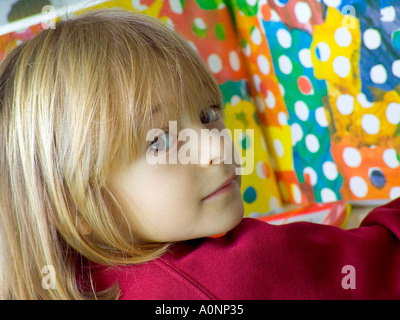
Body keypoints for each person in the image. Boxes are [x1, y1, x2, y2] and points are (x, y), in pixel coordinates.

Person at [1, 8, 400, 300]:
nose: (216, 147)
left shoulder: (65, 278)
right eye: (158, 141)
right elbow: (385, 265)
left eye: (208, 114)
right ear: (76, 208)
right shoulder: (231, 272)